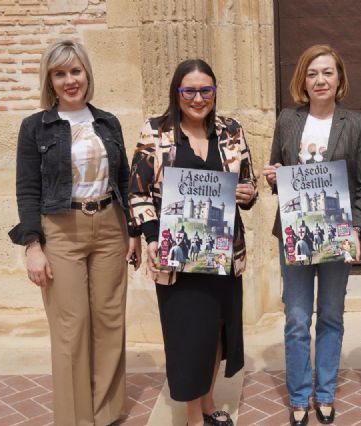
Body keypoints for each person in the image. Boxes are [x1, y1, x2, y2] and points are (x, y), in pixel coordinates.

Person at [8, 39, 142, 425]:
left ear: (87, 74)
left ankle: (106, 412)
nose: (70, 80)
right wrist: (33, 245)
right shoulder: (35, 127)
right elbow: (27, 189)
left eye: (75, 71)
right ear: (50, 80)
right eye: (60, 73)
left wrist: (133, 230)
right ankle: (75, 418)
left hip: (110, 225)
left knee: (110, 318)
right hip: (61, 229)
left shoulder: (107, 122)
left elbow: (124, 178)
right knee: (71, 325)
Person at [128, 59, 257, 426]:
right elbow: (137, 193)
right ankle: (192, 416)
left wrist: (248, 193)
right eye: (189, 91)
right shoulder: (156, 132)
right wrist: (152, 237)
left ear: (214, 92)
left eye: (205, 90)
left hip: (222, 254)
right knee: (186, 336)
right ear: (177, 92)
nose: (198, 99)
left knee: (216, 331)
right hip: (176, 255)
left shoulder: (231, 131)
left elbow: (248, 183)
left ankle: (208, 400)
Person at [263, 44, 361, 426]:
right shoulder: (288, 120)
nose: (320, 80)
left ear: (339, 78)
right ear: (303, 81)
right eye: (312, 73)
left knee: (330, 315)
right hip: (295, 233)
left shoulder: (355, 124)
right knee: (297, 319)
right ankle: (299, 396)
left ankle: (324, 393)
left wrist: (357, 228)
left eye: (327, 72)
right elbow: (278, 172)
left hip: (337, 235)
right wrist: (274, 176)